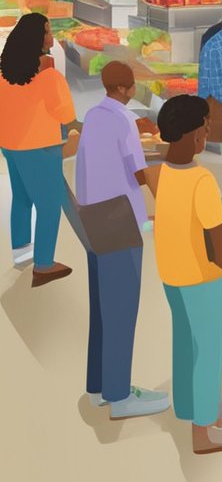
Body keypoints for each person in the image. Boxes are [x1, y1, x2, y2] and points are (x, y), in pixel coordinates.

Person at [154, 94, 222, 454]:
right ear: (196, 135)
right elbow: (218, 245)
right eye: (206, 126)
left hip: (172, 273)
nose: (209, 130)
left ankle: (192, 404)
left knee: (186, 342)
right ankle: (205, 431)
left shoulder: (163, 171)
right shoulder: (202, 181)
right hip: (203, 278)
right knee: (210, 350)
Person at [76, 60, 169, 418]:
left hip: (92, 219)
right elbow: (140, 171)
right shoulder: (124, 120)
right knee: (121, 310)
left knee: (101, 308)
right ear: (127, 89)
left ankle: (98, 386)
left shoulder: (94, 116)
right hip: (120, 221)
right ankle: (119, 396)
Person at [0, 12, 78, 286]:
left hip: (10, 145)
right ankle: (44, 264)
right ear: (36, 39)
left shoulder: (3, 74)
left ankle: (21, 254)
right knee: (49, 205)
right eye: (46, 31)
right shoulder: (49, 78)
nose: (51, 36)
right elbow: (66, 113)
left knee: (22, 199)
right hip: (41, 148)